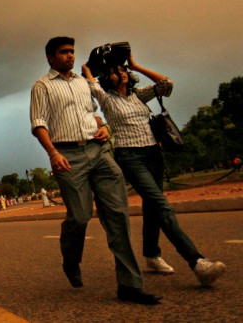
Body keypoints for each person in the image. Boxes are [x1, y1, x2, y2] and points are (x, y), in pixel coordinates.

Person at [30, 36, 161, 305]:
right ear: (50, 58)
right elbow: (38, 123)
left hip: (99, 152)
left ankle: (130, 286)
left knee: (118, 218)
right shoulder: (41, 86)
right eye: (64, 52)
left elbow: (94, 111)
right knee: (79, 217)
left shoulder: (82, 82)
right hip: (67, 156)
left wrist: (103, 126)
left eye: (72, 51)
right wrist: (53, 153)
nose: (70, 56)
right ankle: (71, 259)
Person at [82, 53, 226, 286]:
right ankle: (198, 262)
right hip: (130, 157)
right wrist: (88, 70)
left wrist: (136, 65)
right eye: (115, 71)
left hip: (153, 154)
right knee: (162, 206)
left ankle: (151, 255)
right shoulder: (106, 99)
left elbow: (166, 85)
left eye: (123, 69)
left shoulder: (139, 95)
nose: (121, 73)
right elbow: (91, 84)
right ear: (107, 77)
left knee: (152, 208)